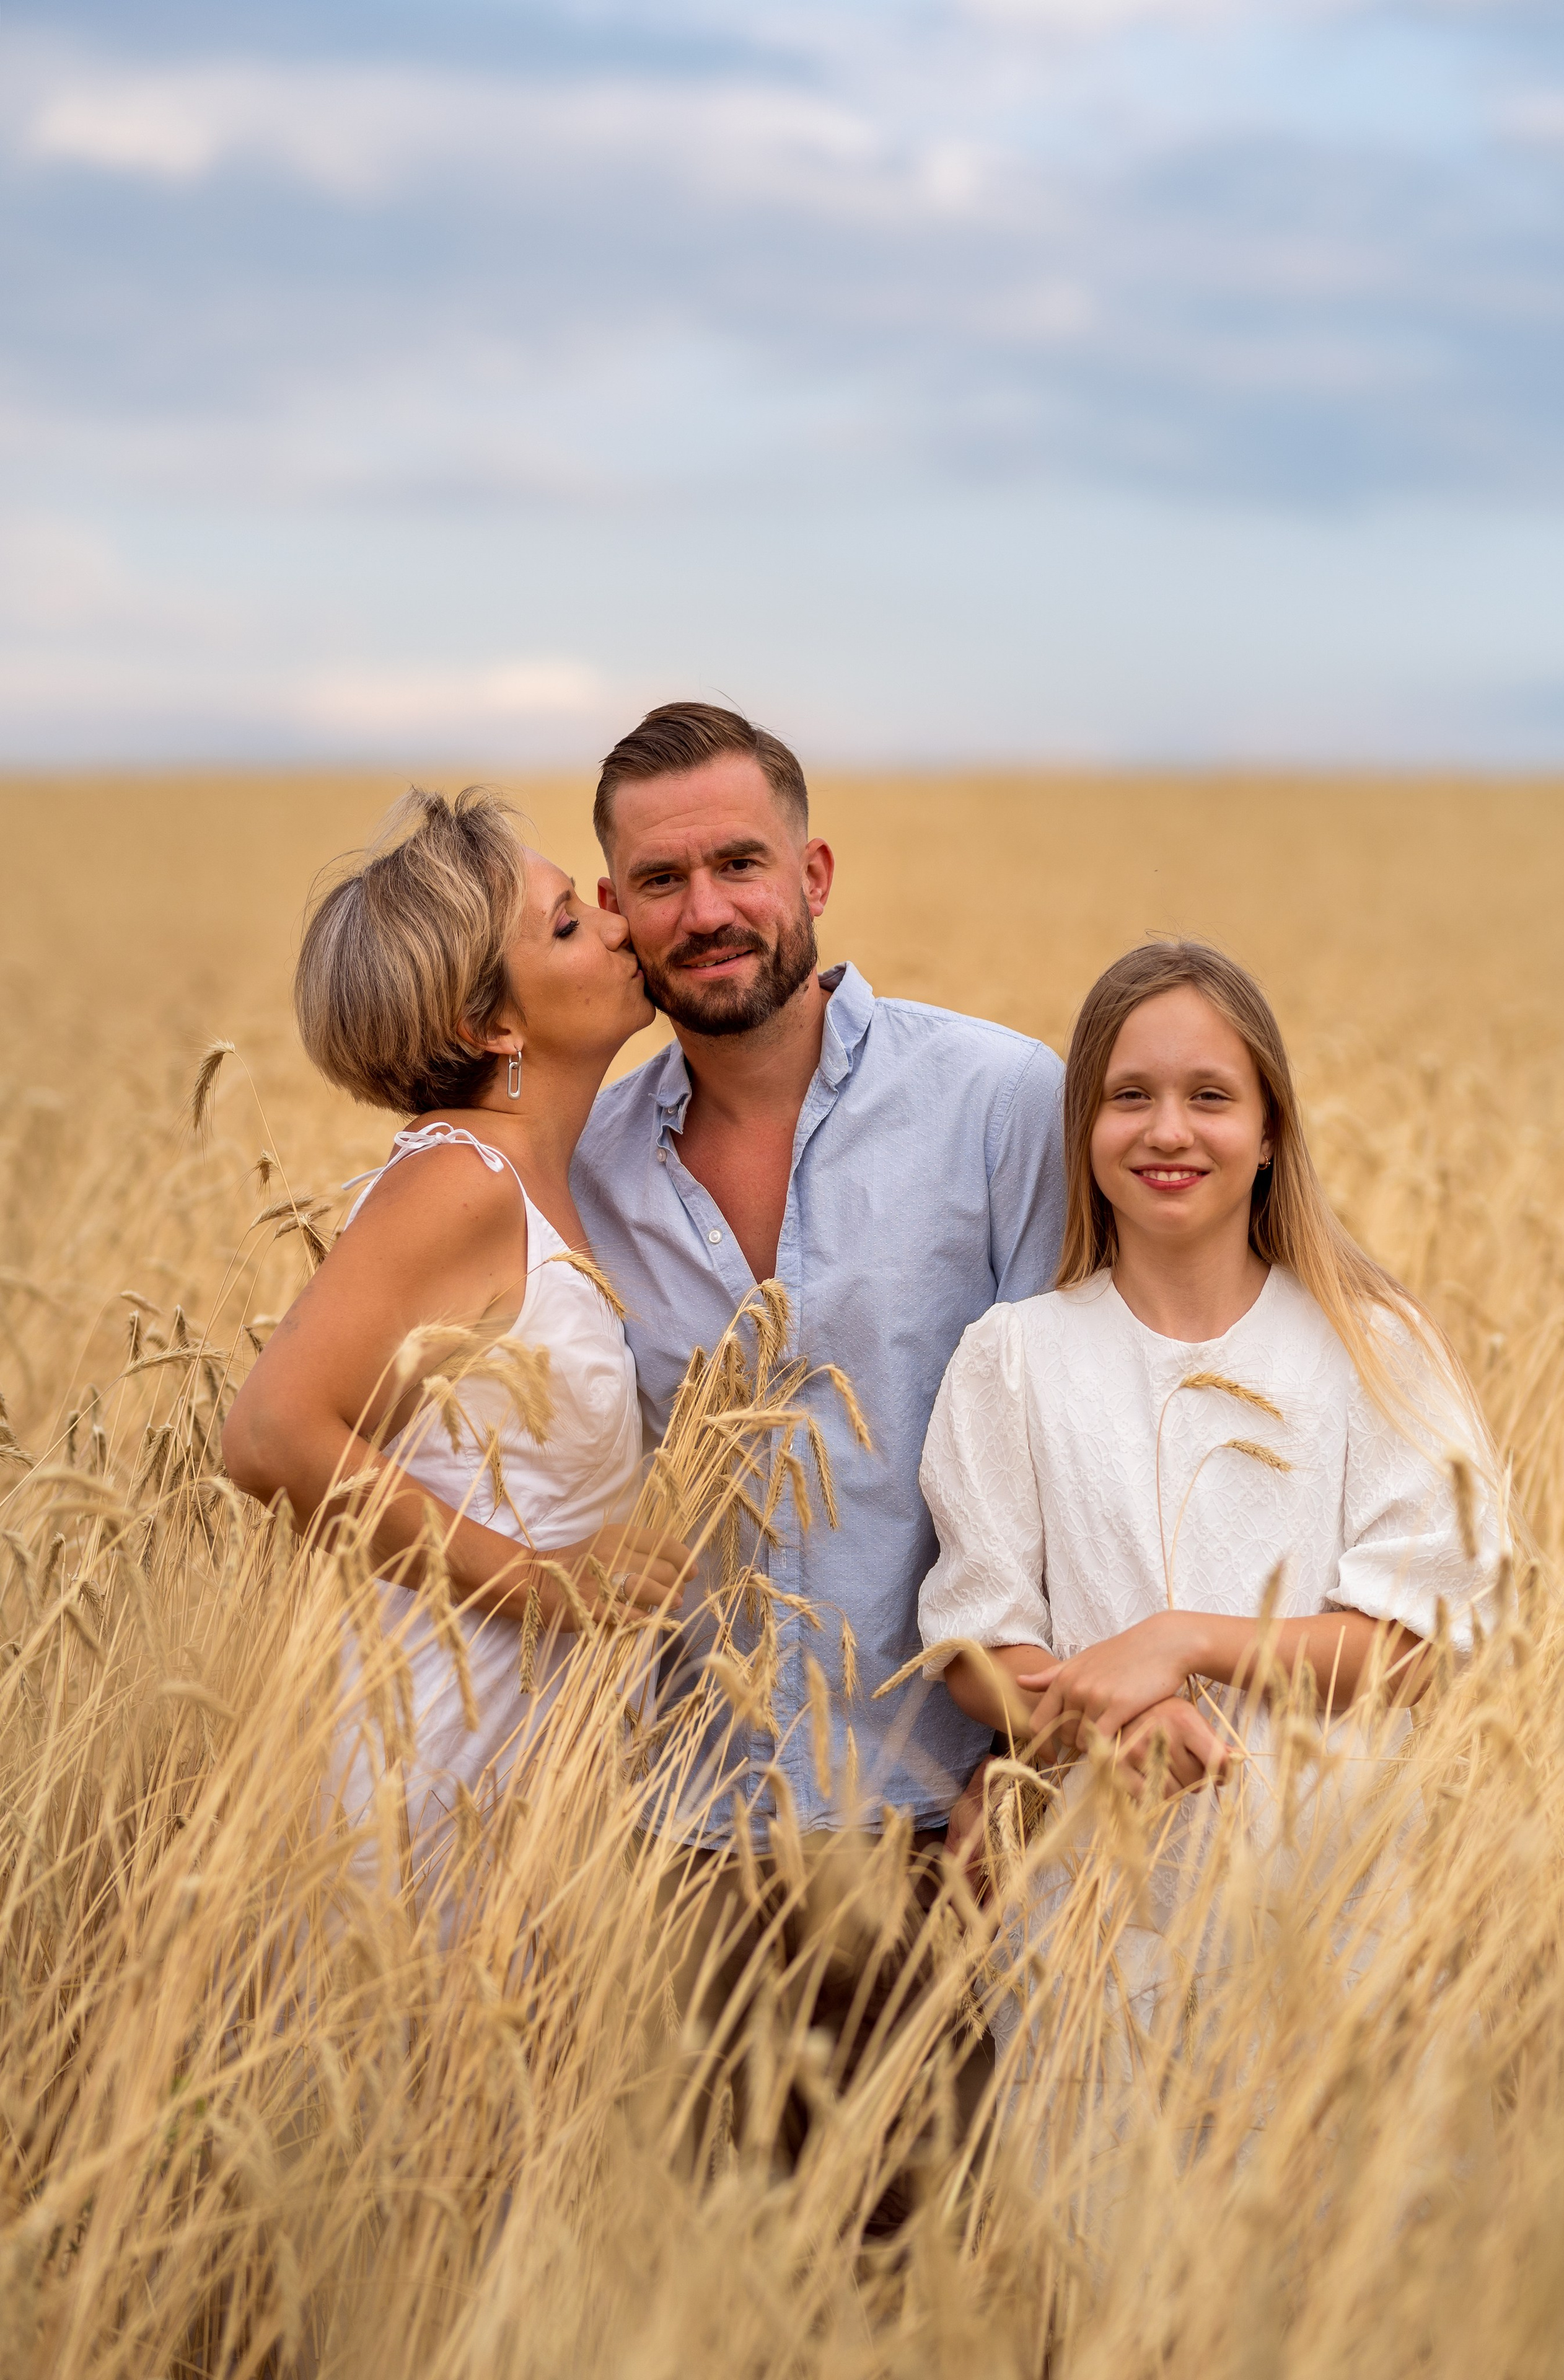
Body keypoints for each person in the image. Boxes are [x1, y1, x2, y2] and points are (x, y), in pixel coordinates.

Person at [568, 702, 1067, 2188]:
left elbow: (1083, 1437)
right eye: (660, 882)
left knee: (984, 2277)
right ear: (614, 913)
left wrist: (1033, 1775)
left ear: (815, 872)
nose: (707, 910)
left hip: (956, 1829)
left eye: (739, 863)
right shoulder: (584, 1170)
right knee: (745, 2297)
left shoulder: (998, 1101)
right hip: (689, 1844)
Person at [917, 938, 1503, 2052]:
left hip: (1336, 1915)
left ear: (1272, 1129)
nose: (1169, 1131)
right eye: (1129, 1096)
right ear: (1084, 1131)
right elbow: (975, 1650)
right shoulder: (1015, 1357)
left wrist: (1185, 1642)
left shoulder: (1373, 1349)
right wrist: (1108, 1727)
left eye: (1211, 1097)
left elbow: (1416, 1646)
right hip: (1096, 1905)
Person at [222, 788, 693, 1912]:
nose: (620, 922)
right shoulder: (460, 1181)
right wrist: (538, 1584)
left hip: (529, 1746)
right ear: (493, 1026)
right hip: (439, 1751)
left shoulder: (539, 1179)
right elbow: (269, 1431)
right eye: (571, 923)